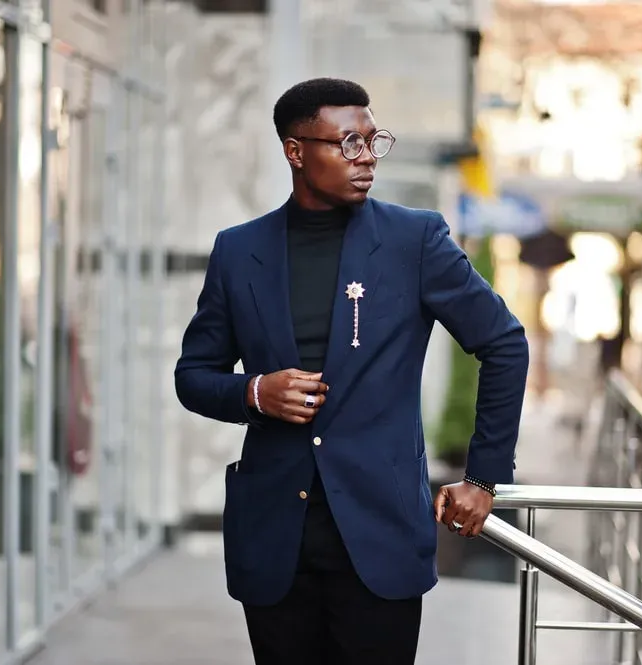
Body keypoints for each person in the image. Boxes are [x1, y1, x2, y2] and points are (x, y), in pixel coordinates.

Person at [174, 77, 529, 665]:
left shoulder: (415, 240)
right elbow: (193, 375)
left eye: (372, 142)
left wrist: (484, 477)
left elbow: (505, 343)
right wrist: (257, 393)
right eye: (347, 144)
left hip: (380, 531)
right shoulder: (239, 250)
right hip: (274, 536)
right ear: (295, 150)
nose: (366, 160)